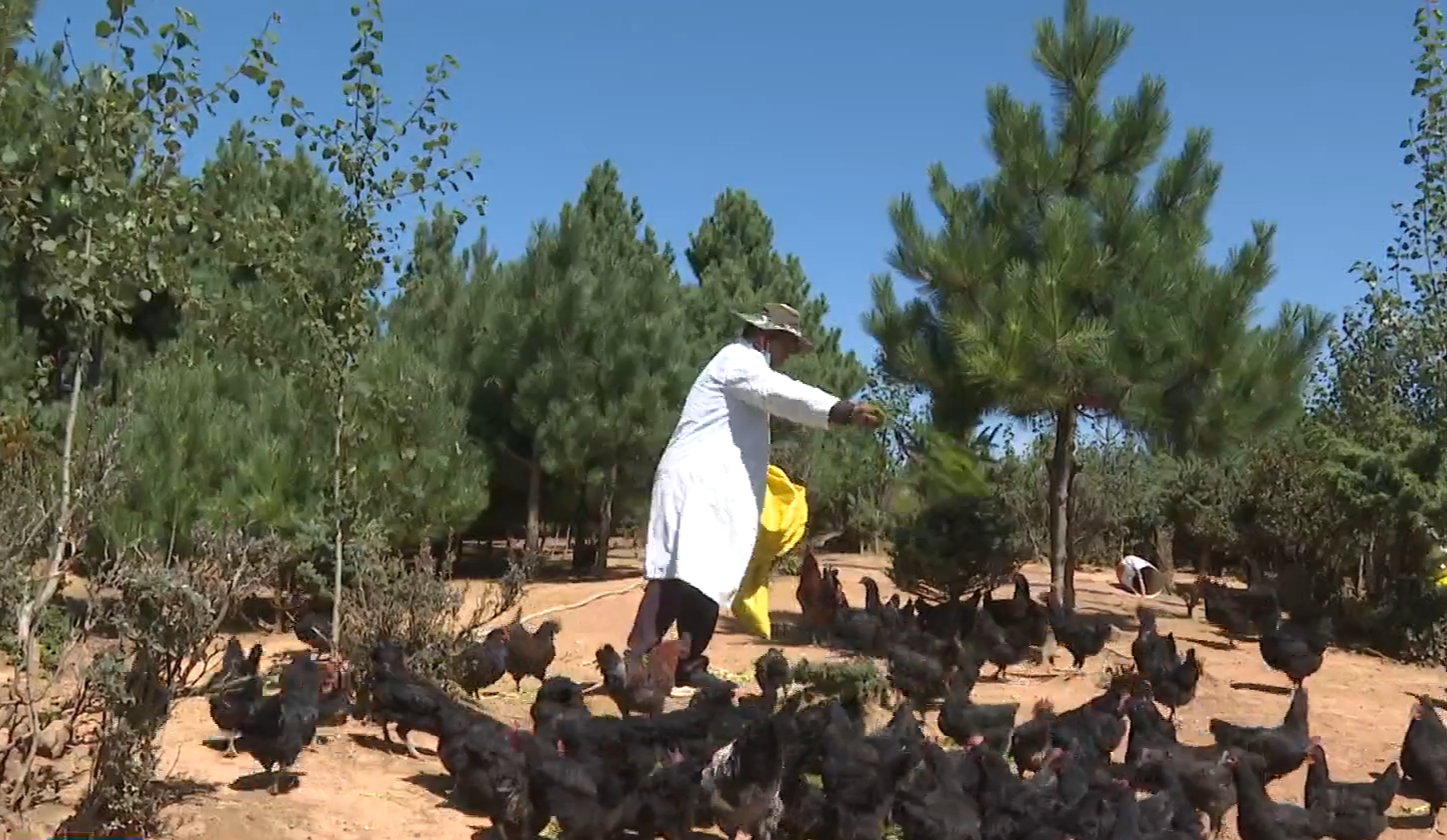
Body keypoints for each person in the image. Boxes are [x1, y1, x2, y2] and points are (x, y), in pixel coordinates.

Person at [625, 303, 883, 688]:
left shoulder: (746, 366)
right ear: (765, 338)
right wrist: (840, 409)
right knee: (676, 573)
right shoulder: (738, 361)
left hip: (710, 489)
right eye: (786, 347)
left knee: (708, 576)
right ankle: (636, 662)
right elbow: (778, 392)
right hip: (694, 484)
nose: (787, 356)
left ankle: (687, 665)